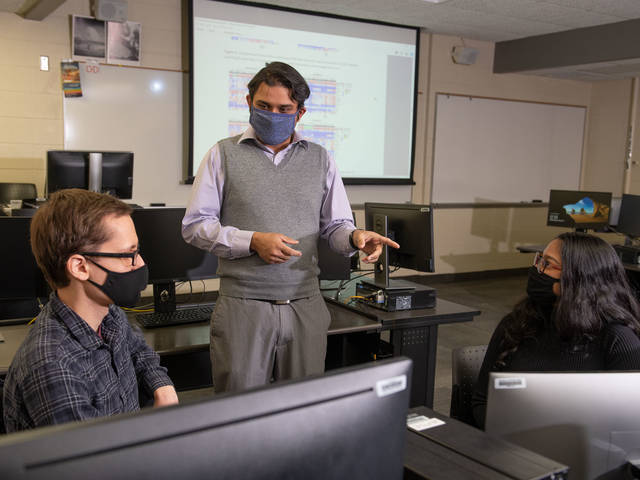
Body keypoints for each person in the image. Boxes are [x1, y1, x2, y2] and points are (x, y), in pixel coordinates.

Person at [182, 61, 399, 393]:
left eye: (284, 108)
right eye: (264, 106)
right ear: (249, 103)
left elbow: (336, 226)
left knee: (302, 406)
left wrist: (356, 237)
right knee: (239, 406)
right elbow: (196, 226)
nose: (273, 114)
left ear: (299, 113)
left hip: (304, 303)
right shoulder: (221, 155)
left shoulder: (321, 159)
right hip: (243, 303)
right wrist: (253, 241)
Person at [3, 189, 178, 432]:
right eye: (129, 255)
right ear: (80, 267)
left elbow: (140, 352)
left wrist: (162, 387)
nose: (141, 264)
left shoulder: (108, 314)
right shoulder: (53, 367)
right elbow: (95, 465)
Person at [472, 232, 640, 429]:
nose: (537, 270)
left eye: (548, 264)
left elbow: (628, 426)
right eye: (539, 260)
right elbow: (482, 401)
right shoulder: (518, 322)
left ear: (579, 279)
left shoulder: (618, 340)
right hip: (510, 445)